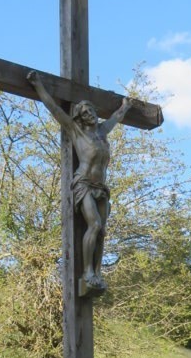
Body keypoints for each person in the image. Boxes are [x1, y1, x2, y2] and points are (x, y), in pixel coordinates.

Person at [27, 70, 131, 294]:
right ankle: (88, 273)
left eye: (91, 110)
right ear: (80, 118)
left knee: (101, 231)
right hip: (83, 183)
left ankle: (97, 271)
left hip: (101, 188)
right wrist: (38, 86)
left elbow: (117, 116)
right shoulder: (76, 132)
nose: (89, 114)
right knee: (93, 224)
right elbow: (55, 109)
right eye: (84, 112)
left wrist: (126, 106)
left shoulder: (102, 133)